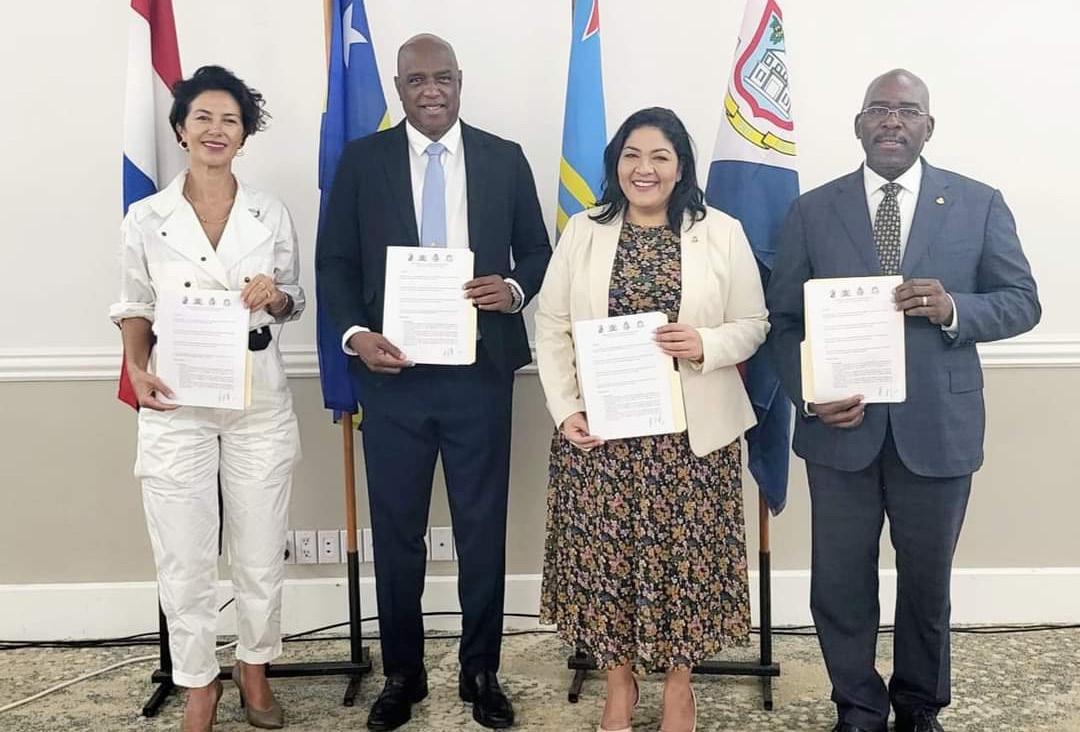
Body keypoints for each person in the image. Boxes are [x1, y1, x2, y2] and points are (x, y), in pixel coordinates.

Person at [765, 69, 1040, 732]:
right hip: (839, 432)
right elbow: (783, 322)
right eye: (880, 109)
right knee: (839, 584)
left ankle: (919, 707)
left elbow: (1022, 301)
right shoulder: (813, 210)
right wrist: (810, 393)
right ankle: (858, 709)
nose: (893, 120)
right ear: (859, 124)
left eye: (908, 110)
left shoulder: (977, 203)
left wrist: (954, 308)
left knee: (927, 584)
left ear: (928, 127)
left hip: (938, 429)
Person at [315, 34, 550, 731]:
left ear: (460, 80)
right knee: (397, 535)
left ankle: (481, 672)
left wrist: (513, 289)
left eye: (443, 78)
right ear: (398, 87)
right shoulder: (363, 162)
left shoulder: (504, 158)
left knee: (482, 531)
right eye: (416, 80)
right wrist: (355, 336)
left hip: (480, 376)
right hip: (392, 378)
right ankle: (403, 675)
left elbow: (538, 251)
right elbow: (335, 263)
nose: (431, 91)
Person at [535, 107, 769, 732]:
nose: (645, 169)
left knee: (684, 566)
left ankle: (679, 686)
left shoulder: (720, 231)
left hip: (692, 439)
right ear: (616, 164)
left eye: (660, 156)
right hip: (602, 435)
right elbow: (552, 324)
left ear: (681, 167)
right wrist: (566, 408)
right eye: (632, 155)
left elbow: (754, 323)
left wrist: (705, 343)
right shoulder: (584, 230)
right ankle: (619, 682)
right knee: (606, 562)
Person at [110, 66, 303, 731]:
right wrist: (136, 367)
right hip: (177, 399)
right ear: (180, 130)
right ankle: (198, 682)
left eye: (230, 120)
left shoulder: (269, 212)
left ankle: (254, 667)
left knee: (259, 549)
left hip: (257, 399)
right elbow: (134, 304)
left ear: (244, 135)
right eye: (204, 118)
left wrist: (274, 296)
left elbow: (294, 299)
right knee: (184, 553)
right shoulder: (147, 217)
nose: (217, 130)